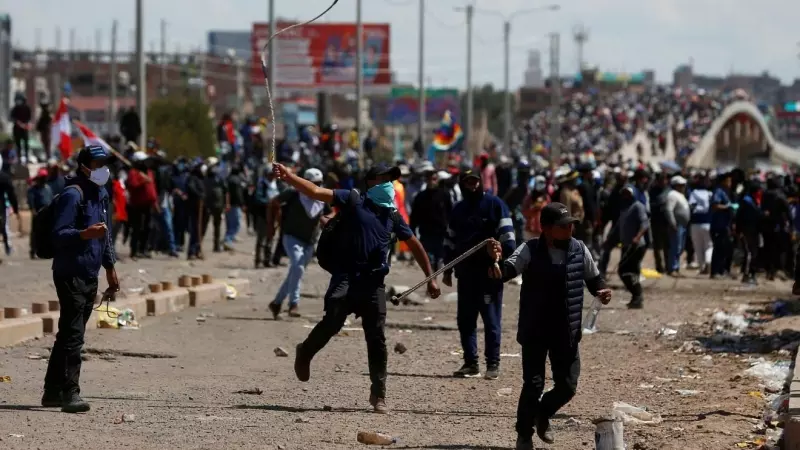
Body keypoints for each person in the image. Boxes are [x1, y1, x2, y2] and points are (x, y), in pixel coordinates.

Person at [272, 162, 440, 414]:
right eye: (383, 178)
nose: (389, 184)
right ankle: (305, 351)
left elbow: (414, 244)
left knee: (377, 339)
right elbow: (317, 193)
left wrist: (431, 277)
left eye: (391, 180)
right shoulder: (354, 199)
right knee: (333, 321)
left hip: (373, 284)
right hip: (346, 278)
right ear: (371, 181)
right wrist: (289, 177)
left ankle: (378, 395)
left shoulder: (392, 216)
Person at [487, 202, 611, 448]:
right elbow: (504, 273)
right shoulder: (530, 249)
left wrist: (603, 291)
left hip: (567, 330)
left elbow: (594, 279)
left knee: (567, 386)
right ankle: (524, 434)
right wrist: (494, 261)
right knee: (533, 385)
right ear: (545, 228)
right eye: (563, 226)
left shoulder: (579, 249)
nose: (569, 231)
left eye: (571, 226)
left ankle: (542, 414)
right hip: (535, 330)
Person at [43, 145, 119, 413]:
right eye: (98, 164)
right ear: (85, 166)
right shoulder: (72, 195)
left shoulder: (100, 194)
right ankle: (70, 393)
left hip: (90, 271)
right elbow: (59, 234)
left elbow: (106, 235)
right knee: (74, 336)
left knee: (68, 334)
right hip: (69, 272)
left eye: (105, 164)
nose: (103, 170)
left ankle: (51, 391)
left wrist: (110, 268)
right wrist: (84, 234)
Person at [443, 169, 516, 380]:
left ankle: (493, 363)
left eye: (475, 181)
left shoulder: (495, 205)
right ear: (462, 184)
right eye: (468, 182)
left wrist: (502, 264)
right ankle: (470, 363)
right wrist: (447, 269)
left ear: (481, 182)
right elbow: (450, 241)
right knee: (465, 320)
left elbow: (508, 238)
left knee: (491, 320)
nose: (472, 185)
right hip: (465, 274)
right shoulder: (458, 210)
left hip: (489, 274)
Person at [268, 168, 331, 318]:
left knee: (296, 271)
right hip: (292, 237)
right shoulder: (293, 194)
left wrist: (325, 219)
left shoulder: (320, 197)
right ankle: (293, 304)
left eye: (319, 183)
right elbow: (273, 202)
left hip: (309, 241)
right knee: (297, 266)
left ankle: (276, 303)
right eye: (314, 183)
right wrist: (273, 223)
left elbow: (330, 212)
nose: (316, 186)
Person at [607, 186, 649, 309]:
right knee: (630, 271)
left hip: (636, 245)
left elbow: (645, 223)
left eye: (628, 194)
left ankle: (637, 296)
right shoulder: (624, 208)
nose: (626, 196)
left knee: (625, 270)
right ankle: (636, 298)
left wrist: (637, 236)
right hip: (626, 245)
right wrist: (610, 240)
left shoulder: (637, 206)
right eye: (624, 194)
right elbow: (618, 227)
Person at [410, 169, 453, 272]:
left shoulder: (445, 195)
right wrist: (412, 232)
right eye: (429, 179)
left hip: (441, 234)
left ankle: (434, 282)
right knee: (429, 260)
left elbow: (450, 213)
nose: (431, 181)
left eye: (434, 179)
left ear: (437, 180)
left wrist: (451, 230)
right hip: (426, 234)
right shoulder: (420, 197)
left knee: (439, 261)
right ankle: (431, 282)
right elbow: (414, 216)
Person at [126, 152, 157, 259]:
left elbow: (152, 189)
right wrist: (143, 181)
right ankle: (134, 251)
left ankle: (143, 249)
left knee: (148, 228)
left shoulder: (149, 172)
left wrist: (155, 202)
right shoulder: (134, 173)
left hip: (148, 204)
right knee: (137, 228)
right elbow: (133, 185)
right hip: (137, 204)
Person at [254, 164, 280, 268]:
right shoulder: (262, 184)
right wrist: (269, 202)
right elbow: (258, 198)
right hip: (263, 214)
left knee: (271, 238)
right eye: (270, 174)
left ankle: (267, 260)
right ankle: (258, 260)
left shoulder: (275, 184)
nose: (272, 176)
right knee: (261, 238)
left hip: (273, 215)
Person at [664, 175, 690, 277]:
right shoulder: (672, 194)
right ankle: (673, 268)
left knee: (680, 247)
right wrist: (672, 223)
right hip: (677, 225)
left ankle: (676, 267)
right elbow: (669, 210)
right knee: (675, 247)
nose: (683, 187)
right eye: (681, 185)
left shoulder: (680, 195)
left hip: (683, 225)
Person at [710, 173, 734, 278]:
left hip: (725, 225)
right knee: (718, 248)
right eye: (728, 181)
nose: (730, 183)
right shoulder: (718, 191)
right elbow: (715, 205)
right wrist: (727, 207)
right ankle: (715, 272)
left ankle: (721, 271)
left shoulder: (726, 192)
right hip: (718, 225)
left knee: (724, 249)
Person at [688, 174, 713, 275]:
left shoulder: (693, 193)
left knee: (698, 246)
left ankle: (703, 267)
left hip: (695, 223)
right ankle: (708, 262)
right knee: (709, 245)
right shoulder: (710, 194)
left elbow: (691, 206)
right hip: (707, 222)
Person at [202, 157, 228, 253]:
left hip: (218, 205)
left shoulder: (219, 178)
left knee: (217, 226)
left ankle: (216, 246)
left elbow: (226, 191)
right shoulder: (204, 178)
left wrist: (226, 204)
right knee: (203, 226)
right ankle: (198, 245)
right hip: (207, 205)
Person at [27, 168, 54, 258]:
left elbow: (50, 199)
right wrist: (33, 209)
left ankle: (45, 250)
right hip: (38, 213)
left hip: (47, 214)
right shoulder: (33, 189)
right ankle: (33, 250)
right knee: (35, 232)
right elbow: (31, 200)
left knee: (46, 232)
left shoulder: (48, 188)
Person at [186, 162, 206, 260]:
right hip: (195, 207)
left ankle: (198, 250)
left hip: (203, 208)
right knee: (195, 230)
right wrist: (199, 195)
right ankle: (192, 252)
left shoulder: (202, 179)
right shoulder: (192, 178)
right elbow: (191, 188)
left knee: (201, 231)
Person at [224, 164, 247, 249]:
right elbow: (238, 194)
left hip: (228, 204)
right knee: (236, 223)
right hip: (235, 204)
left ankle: (230, 237)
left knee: (230, 223)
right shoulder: (236, 180)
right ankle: (228, 239)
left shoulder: (228, 179)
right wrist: (242, 204)